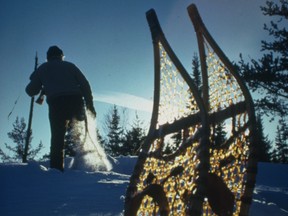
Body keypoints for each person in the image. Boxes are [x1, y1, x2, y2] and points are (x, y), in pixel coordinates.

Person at [26, 45, 96, 171]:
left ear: (48, 58)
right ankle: (86, 167)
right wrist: (90, 106)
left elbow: (31, 91)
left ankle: (56, 171)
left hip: (57, 105)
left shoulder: (43, 68)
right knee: (80, 135)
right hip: (76, 102)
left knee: (57, 139)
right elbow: (85, 84)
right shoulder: (70, 66)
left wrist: (40, 82)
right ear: (61, 56)